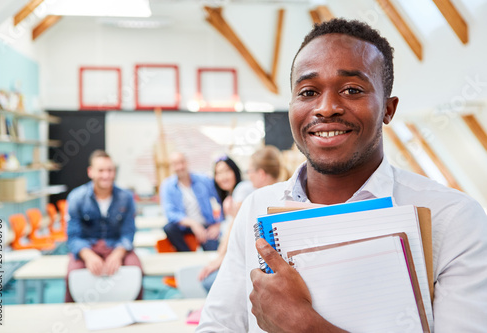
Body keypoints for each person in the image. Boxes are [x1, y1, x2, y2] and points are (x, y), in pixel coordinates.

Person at [197, 18, 487, 332]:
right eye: (308, 92)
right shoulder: (256, 207)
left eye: (352, 89)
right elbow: (217, 326)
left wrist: (305, 326)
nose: (326, 108)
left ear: (388, 109)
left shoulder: (455, 218)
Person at [198, 146, 283, 291]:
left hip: (255, 264)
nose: (248, 176)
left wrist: (221, 258)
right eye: (218, 173)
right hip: (264, 264)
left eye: (249, 171)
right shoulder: (279, 194)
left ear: (261, 174)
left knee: (209, 282)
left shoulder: (249, 193)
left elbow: (235, 226)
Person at [65, 150, 143, 302]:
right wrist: (88, 255)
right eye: (101, 170)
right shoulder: (76, 198)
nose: (106, 175)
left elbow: (128, 232)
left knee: (136, 270)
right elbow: (73, 236)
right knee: (72, 274)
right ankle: (71, 311)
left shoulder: (126, 197)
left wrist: (118, 254)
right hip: (88, 247)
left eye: (110, 170)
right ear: (91, 172)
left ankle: (137, 309)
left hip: (116, 246)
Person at [160, 152, 221, 251]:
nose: (180, 167)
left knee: (212, 248)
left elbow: (218, 202)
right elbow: (170, 213)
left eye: (182, 162)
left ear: (187, 162)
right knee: (169, 228)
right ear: (171, 167)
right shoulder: (167, 186)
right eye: (175, 164)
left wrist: (217, 224)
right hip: (184, 226)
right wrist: (193, 224)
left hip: (205, 224)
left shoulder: (204, 180)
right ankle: (186, 254)